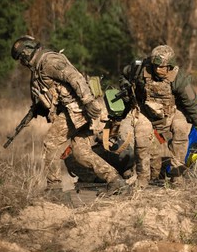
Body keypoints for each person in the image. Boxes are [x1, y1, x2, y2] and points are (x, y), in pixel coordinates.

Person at [11, 35, 127, 198]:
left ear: (26, 54)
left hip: (78, 110)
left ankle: (54, 188)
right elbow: (50, 94)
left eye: (21, 58)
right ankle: (115, 181)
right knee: (80, 151)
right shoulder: (38, 68)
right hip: (77, 111)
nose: (22, 63)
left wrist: (87, 102)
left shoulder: (48, 61)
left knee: (50, 142)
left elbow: (75, 77)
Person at [119, 45, 197, 188]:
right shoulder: (139, 69)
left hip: (173, 111)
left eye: (162, 67)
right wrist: (125, 86)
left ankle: (177, 176)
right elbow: (123, 75)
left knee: (181, 130)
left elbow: (194, 106)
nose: (158, 69)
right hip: (146, 111)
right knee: (141, 136)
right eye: (155, 66)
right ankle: (142, 178)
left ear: (170, 66)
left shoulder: (179, 79)